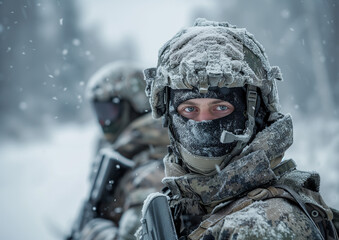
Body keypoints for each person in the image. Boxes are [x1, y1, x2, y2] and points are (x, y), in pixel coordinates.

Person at [138, 19, 338, 240]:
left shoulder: (263, 225)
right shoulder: (182, 203)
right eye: (189, 109)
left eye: (221, 108)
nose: (203, 125)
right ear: (170, 116)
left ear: (255, 113)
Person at [67, 61, 170, 240]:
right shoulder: (126, 154)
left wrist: (96, 235)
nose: (102, 123)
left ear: (135, 105)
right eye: (100, 113)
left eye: (108, 112)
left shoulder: (151, 172)